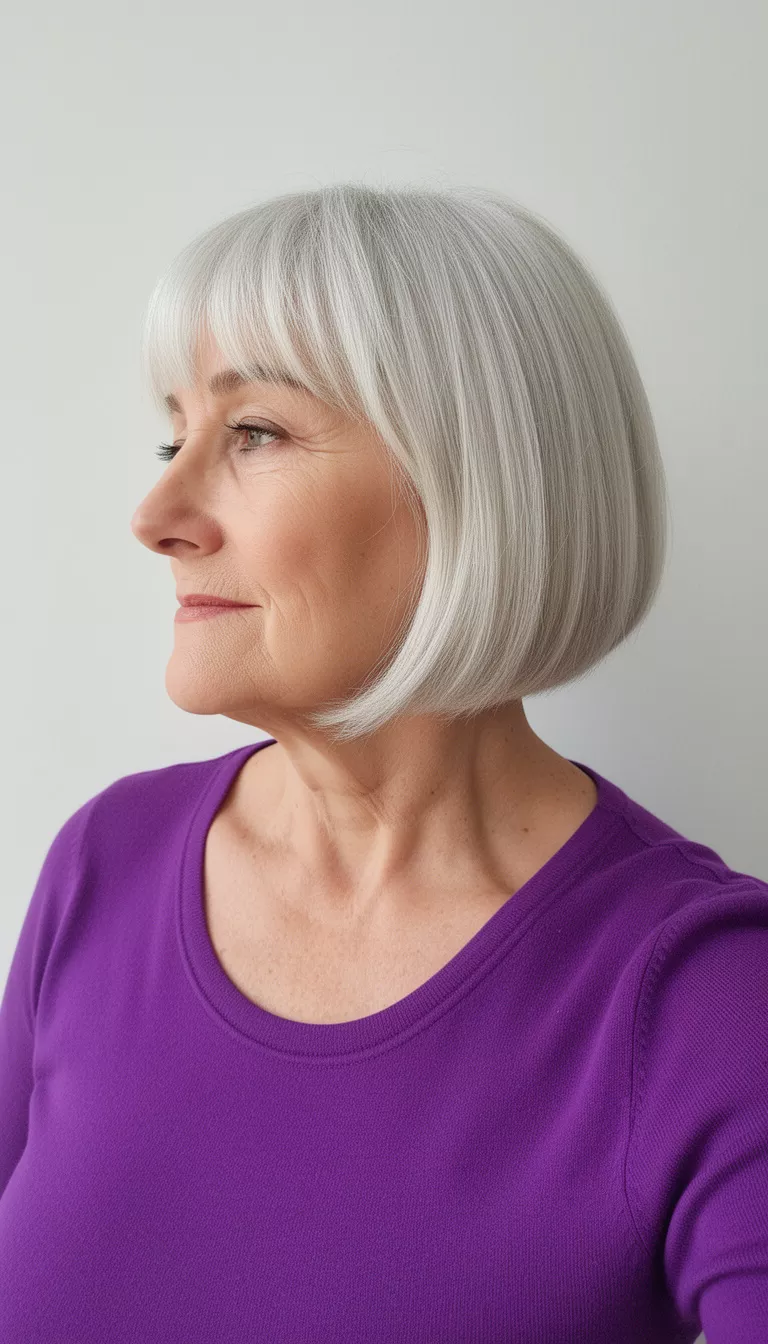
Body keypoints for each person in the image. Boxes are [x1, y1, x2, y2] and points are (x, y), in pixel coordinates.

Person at [1, 182, 765, 1343]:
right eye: (174, 434)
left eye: (252, 431)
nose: (156, 511)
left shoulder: (706, 998)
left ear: (476, 485)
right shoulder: (106, 864)